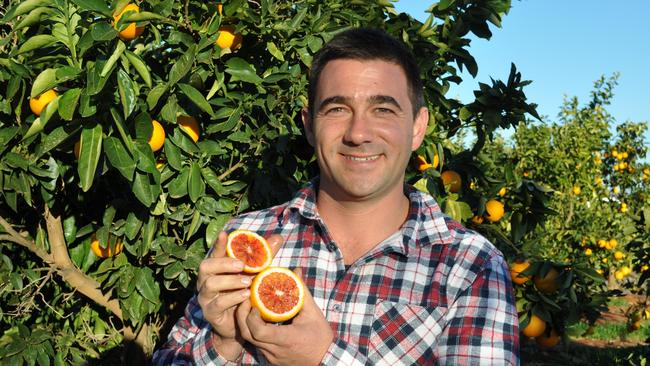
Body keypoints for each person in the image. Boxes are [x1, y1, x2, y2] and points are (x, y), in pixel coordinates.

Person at [153, 27, 519, 365]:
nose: (358, 133)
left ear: (418, 127)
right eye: (338, 109)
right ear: (309, 125)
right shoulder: (245, 237)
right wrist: (223, 342)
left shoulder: (470, 267)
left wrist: (323, 358)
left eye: (383, 109)